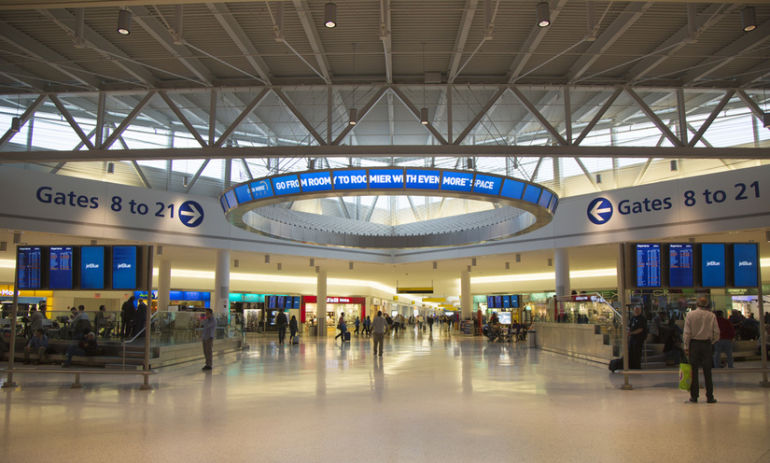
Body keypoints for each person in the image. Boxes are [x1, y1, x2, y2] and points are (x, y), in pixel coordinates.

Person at [684, 297, 719, 404]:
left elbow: (687, 333)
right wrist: (711, 342)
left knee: (693, 372)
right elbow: (716, 332)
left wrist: (686, 346)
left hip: (694, 344)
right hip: (706, 344)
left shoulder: (690, 315)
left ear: (697, 304)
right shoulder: (711, 315)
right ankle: (710, 396)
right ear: (707, 304)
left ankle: (694, 396)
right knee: (708, 372)